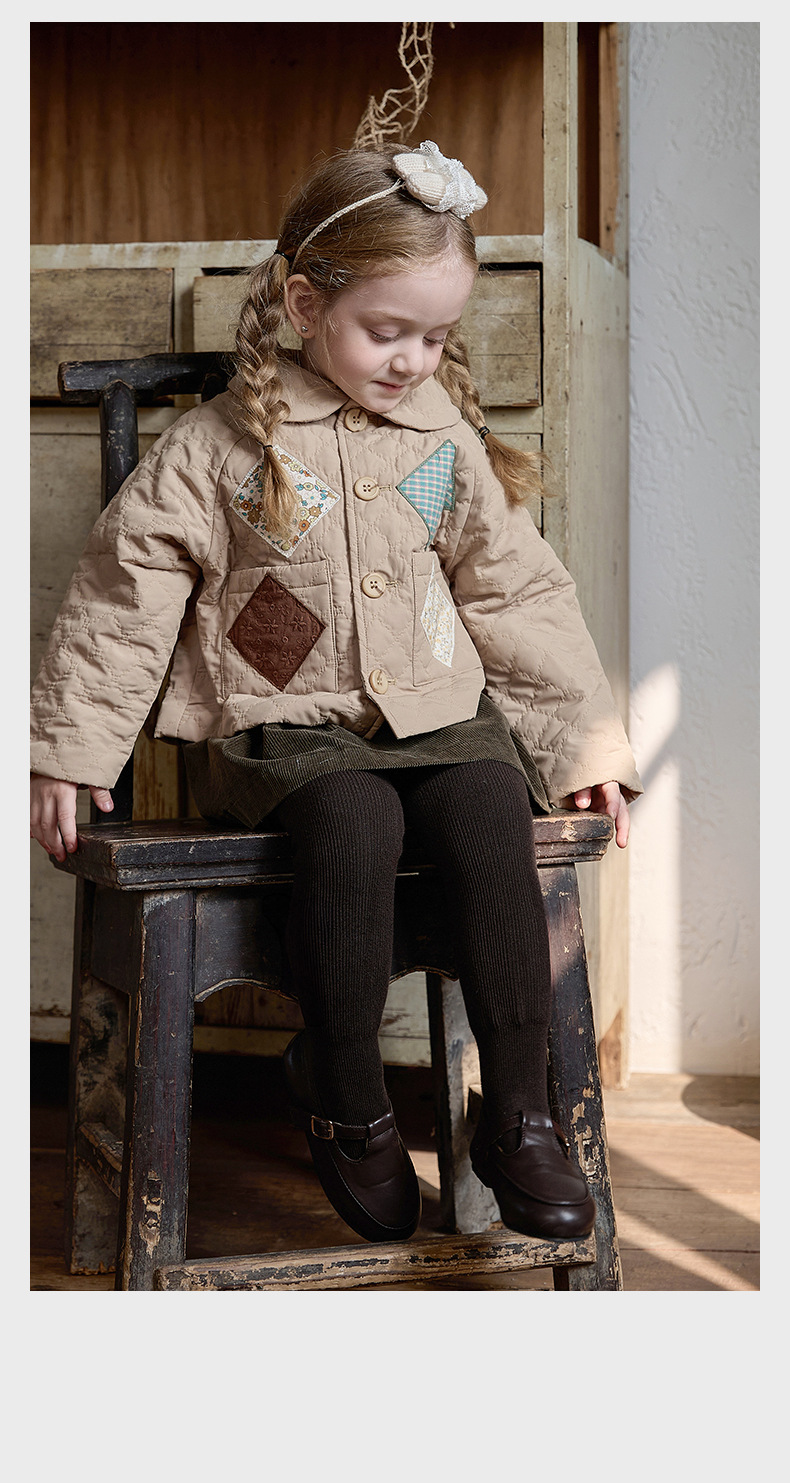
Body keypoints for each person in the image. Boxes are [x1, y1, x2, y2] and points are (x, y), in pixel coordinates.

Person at [30, 141, 642, 1247]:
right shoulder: (219, 447)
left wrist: (583, 747)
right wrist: (74, 748)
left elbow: (514, 592)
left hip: (437, 716)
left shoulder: (441, 442)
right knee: (353, 817)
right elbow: (123, 594)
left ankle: (519, 1114)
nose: (414, 360)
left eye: (435, 337)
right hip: (283, 731)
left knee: (488, 806)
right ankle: (346, 1089)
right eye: (387, 331)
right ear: (306, 304)